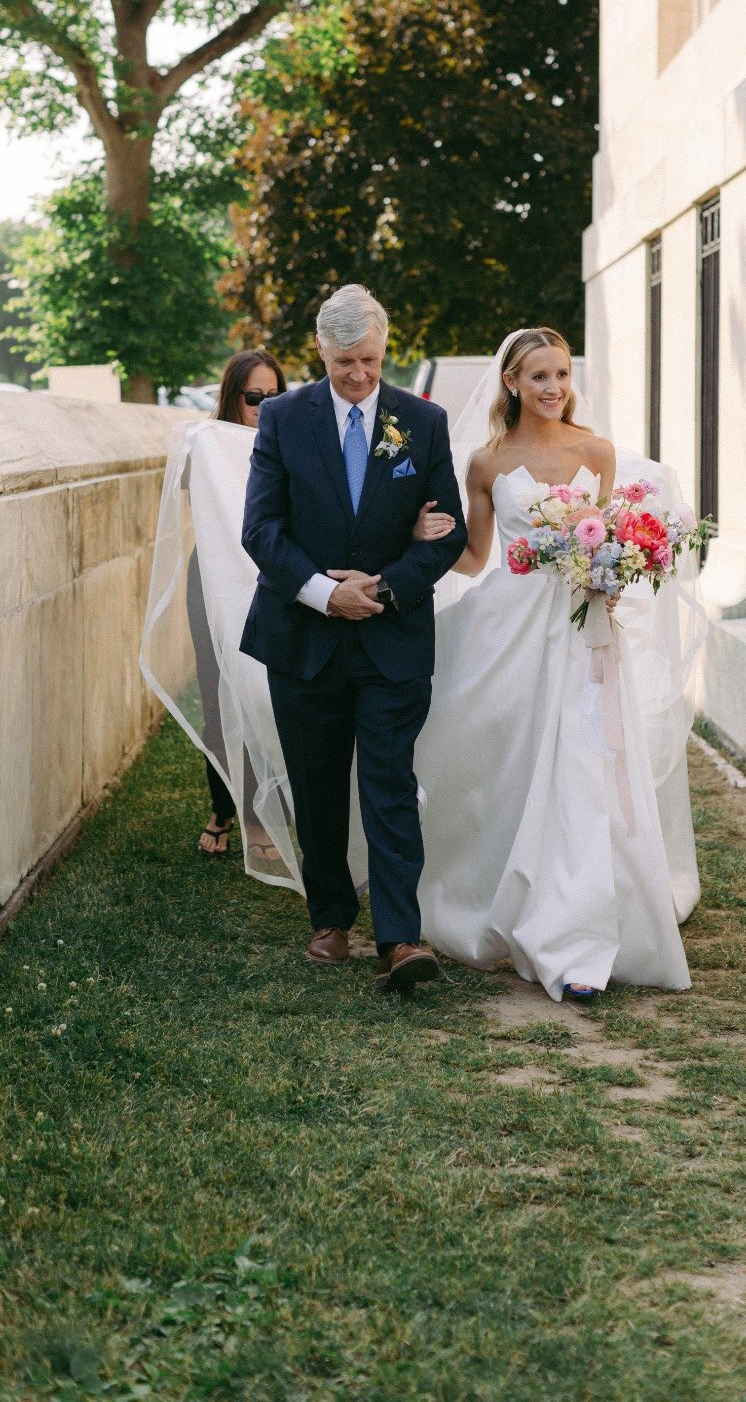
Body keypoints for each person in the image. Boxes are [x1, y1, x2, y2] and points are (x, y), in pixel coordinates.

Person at [410, 328, 699, 1001]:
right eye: (539, 376)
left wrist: (617, 571)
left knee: (584, 769)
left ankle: (579, 934)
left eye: (562, 375)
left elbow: (602, 536)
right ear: (511, 382)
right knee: (510, 766)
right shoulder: (485, 463)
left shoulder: (594, 452)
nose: (553, 388)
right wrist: (426, 534)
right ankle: (507, 900)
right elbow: (478, 559)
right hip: (508, 633)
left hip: (580, 631)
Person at [238, 285, 468, 993]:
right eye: (344, 363)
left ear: (384, 348)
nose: (359, 376)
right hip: (303, 636)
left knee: (390, 782)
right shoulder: (281, 418)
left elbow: (449, 528)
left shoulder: (422, 422)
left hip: (393, 636)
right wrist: (324, 592)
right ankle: (330, 918)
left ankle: (400, 938)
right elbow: (261, 530)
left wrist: (388, 585)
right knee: (316, 782)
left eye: (369, 360)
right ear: (321, 351)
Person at [193, 349, 288, 857]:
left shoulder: (293, 444)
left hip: (272, 576)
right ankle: (225, 807)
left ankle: (268, 804)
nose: (265, 407)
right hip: (214, 576)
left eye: (276, 396)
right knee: (218, 692)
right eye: (255, 398)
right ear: (234, 398)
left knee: (267, 692)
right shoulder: (208, 444)